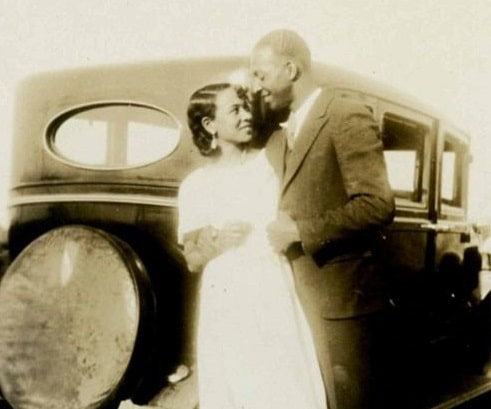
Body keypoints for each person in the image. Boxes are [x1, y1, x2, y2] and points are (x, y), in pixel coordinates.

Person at [250, 30, 396, 409]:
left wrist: (301, 231)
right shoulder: (279, 139)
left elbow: (377, 203)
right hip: (292, 301)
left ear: (291, 68)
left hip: (340, 306)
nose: (256, 86)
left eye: (261, 75)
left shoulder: (345, 113)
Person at [178, 82, 327, 409]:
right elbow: (192, 259)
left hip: (272, 287)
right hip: (227, 299)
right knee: (235, 387)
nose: (246, 116)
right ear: (210, 124)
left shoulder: (270, 164)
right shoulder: (196, 186)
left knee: (284, 386)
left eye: (246, 107)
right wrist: (217, 242)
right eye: (234, 110)